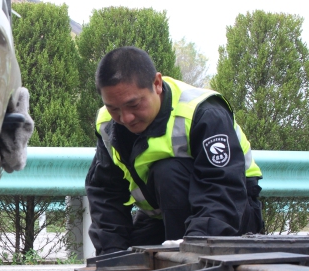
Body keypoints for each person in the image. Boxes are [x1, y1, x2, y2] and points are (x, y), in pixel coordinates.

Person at [85, 46, 264, 256]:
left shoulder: (204, 113)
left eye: (134, 105)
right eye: (113, 108)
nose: (125, 118)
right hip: (163, 217)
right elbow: (106, 193)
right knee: (128, 258)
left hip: (232, 213)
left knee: (168, 172)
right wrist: (111, 256)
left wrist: (192, 250)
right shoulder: (108, 125)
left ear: (157, 84)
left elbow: (221, 191)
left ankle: (186, 264)